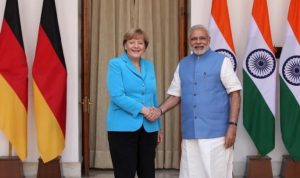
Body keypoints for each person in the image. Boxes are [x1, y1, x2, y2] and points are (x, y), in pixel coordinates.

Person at [147, 24, 242, 178]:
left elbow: (235, 93)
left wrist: (232, 126)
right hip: (190, 134)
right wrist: (158, 111)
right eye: (194, 39)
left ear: (209, 40)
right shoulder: (183, 64)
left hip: (217, 134)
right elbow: (175, 95)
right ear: (190, 42)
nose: (198, 42)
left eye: (202, 38)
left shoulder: (222, 61)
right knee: (190, 174)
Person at [106, 28, 161, 178]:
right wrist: (144, 110)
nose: (136, 46)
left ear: (145, 47)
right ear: (125, 45)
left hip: (149, 128)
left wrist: (158, 127)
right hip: (122, 128)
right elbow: (117, 96)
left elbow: (152, 96)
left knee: (148, 173)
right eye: (132, 42)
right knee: (125, 173)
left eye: (140, 43)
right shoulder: (116, 64)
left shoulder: (149, 65)